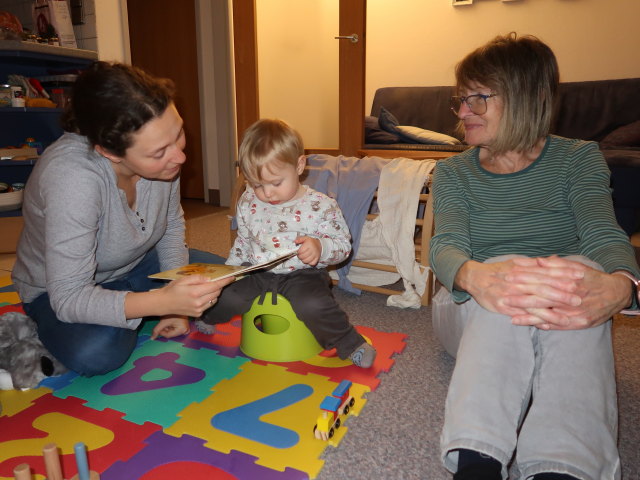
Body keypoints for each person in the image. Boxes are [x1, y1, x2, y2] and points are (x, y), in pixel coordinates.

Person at [429, 33, 640, 480]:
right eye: (460, 100)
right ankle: (478, 462)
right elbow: (444, 246)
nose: (463, 112)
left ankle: (561, 467)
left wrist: (622, 285)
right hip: (468, 305)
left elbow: (603, 233)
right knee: (511, 273)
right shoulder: (452, 170)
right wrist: (477, 275)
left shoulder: (579, 158)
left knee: (582, 272)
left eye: (477, 99)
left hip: (558, 301)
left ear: (527, 97)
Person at [11, 61, 232, 376]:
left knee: (232, 286)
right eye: (159, 153)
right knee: (96, 352)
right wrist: (162, 303)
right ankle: (64, 321)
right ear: (110, 152)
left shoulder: (163, 153)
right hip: (58, 289)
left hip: (137, 265)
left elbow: (170, 227)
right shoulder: (71, 178)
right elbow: (70, 295)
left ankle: (135, 310)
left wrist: (177, 296)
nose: (180, 156)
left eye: (179, 133)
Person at [195, 118, 377, 368]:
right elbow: (244, 241)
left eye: (276, 183)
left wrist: (320, 247)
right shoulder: (249, 200)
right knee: (227, 296)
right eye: (257, 184)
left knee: (313, 305)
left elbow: (343, 246)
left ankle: (350, 343)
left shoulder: (321, 205)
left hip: (303, 274)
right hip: (257, 270)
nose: (267, 193)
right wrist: (231, 271)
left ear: (299, 165)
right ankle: (207, 317)